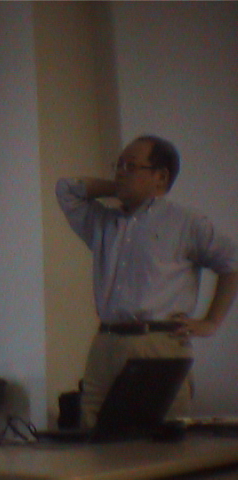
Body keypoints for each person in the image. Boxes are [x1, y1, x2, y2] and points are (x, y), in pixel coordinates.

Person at [56, 135, 238, 428]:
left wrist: (211, 322)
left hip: (157, 342)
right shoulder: (103, 222)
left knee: (161, 435)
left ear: (161, 177)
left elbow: (232, 264)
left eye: (131, 166)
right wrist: (120, 185)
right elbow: (66, 189)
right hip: (106, 342)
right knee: (93, 430)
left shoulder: (185, 222)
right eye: (118, 165)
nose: (120, 172)